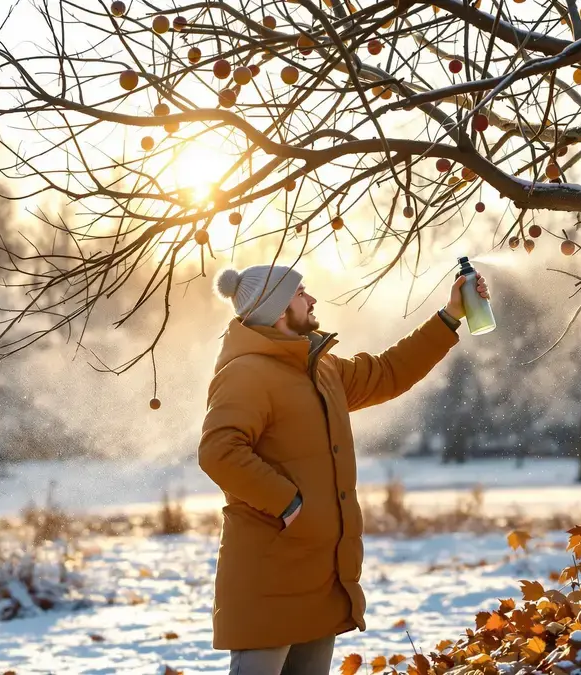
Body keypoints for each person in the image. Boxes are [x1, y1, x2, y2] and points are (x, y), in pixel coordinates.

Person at [199, 262, 489, 674]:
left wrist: (450, 315)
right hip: (268, 580)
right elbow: (219, 451)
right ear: (278, 308)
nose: (312, 299)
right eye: (301, 293)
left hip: (321, 576)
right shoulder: (245, 373)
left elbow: (388, 372)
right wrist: (289, 503)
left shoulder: (322, 369)